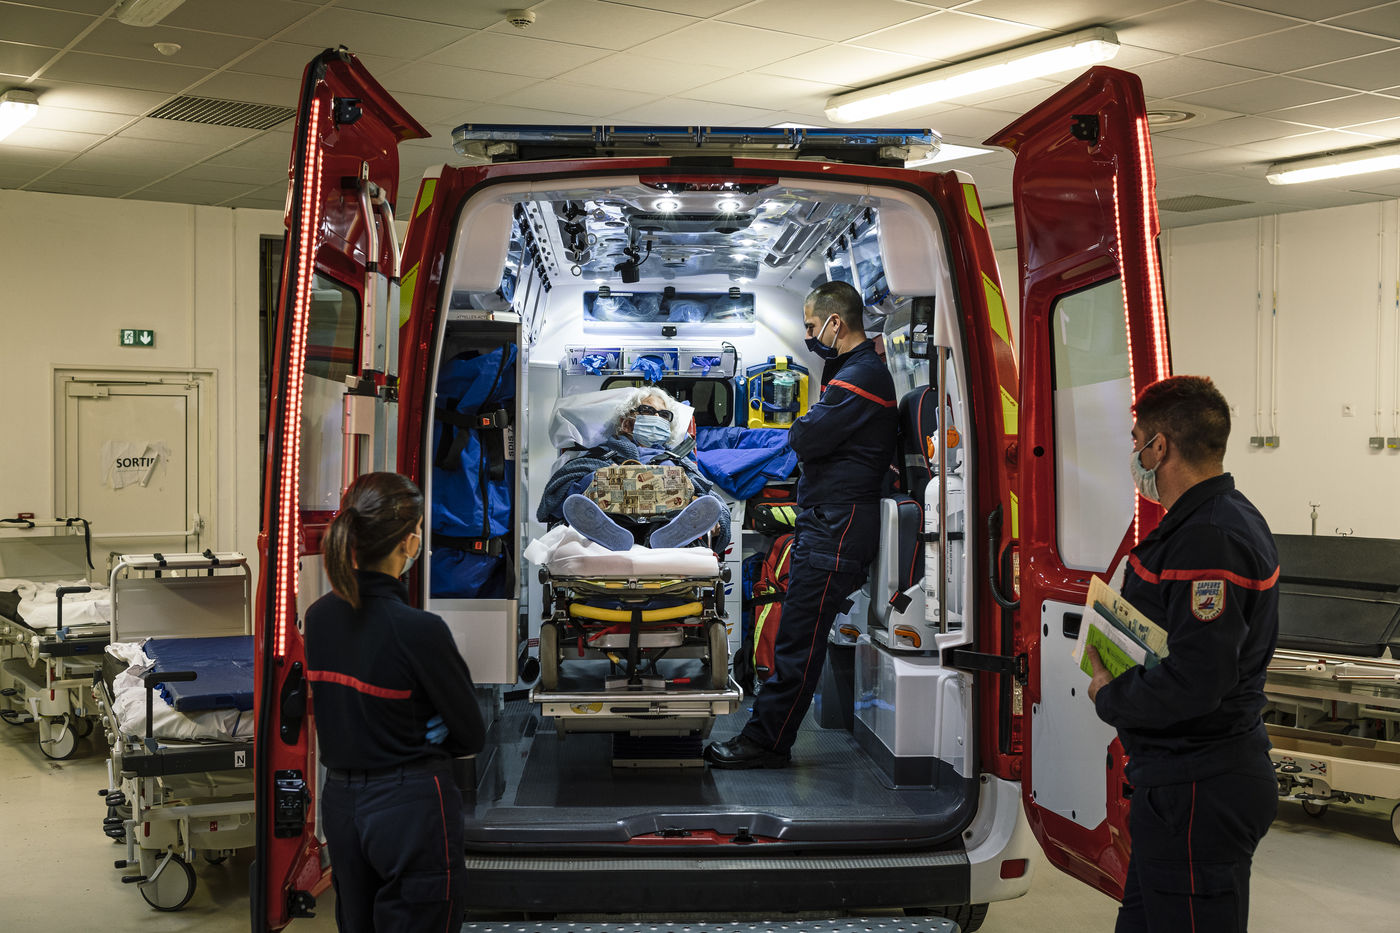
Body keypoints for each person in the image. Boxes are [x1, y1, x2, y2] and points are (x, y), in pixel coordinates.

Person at [1085, 375, 1280, 933]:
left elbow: (1198, 679)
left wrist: (1110, 694)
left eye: (1136, 440)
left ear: (1159, 447)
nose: (1135, 454)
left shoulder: (1208, 538)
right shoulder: (1213, 519)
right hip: (1178, 785)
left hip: (1199, 789)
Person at [706, 280, 897, 768]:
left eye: (812, 327)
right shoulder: (849, 372)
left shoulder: (863, 376)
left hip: (838, 525)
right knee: (799, 633)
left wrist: (804, 427)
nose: (809, 337)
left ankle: (766, 743)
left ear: (835, 323)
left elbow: (806, 437)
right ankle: (768, 736)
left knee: (798, 639)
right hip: (828, 521)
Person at [304, 472, 485, 933]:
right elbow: (471, 734)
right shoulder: (419, 631)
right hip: (409, 809)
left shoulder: (318, 618)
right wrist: (438, 725)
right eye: (420, 529)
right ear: (408, 543)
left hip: (341, 808)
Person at [537, 387, 730, 552]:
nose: (657, 417)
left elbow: (711, 499)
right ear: (627, 423)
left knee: (681, 483)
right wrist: (604, 478)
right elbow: (559, 491)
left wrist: (715, 519)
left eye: (664, 415)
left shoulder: (676, 460)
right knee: (596, 480)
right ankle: (606, 531)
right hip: (612, 516)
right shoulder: (603, 455)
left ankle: (668, 535)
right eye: (648, 410)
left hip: (664, 519)